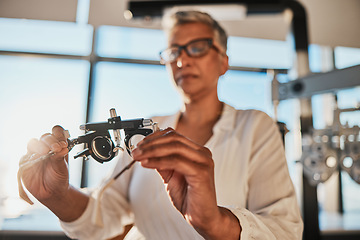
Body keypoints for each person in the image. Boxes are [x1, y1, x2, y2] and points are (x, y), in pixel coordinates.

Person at [20, 10, 303, 240]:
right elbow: (103, 219)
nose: (182, 60)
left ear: (223, 61)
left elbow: (285, 232)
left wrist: (215, 223)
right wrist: (57, 196)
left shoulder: (255, 127)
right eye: (174, 51)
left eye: (197, 47)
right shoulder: (143, 132)